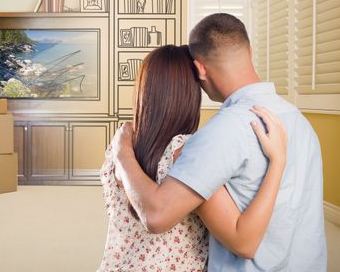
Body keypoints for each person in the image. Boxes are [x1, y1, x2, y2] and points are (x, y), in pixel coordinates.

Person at [110, 14, 327, 271]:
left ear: (200, 68)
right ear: (249, 51)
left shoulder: (221, 132)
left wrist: (122, 152)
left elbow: (156, 216)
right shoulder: (297, 119)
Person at [99, 45, 288, 271]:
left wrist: (122, 152)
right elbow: (243, 242)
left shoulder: (119, 145)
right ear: (190, 94)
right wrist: (278, 161)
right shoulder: (186, 153)